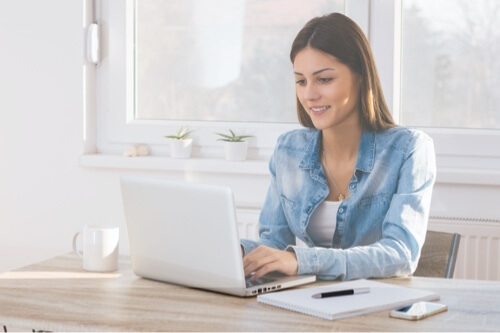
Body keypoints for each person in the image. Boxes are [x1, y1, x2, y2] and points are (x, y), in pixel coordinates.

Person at [240, 13, 436, 281]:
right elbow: (274, 244)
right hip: (310, 307)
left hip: (378, 312)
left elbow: (400, 255)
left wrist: (303, 260)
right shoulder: (288, 150)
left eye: (324, 79)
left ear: (360, 76)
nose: (309, 94)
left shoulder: (409, 150)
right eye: (301, 81)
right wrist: (233, 250)